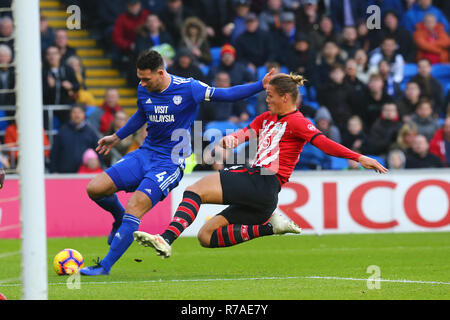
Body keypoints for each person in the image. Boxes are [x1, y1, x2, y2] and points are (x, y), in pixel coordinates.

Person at [133, 73, 387, 257]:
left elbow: (323, 143)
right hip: (263, 197)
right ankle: (269, 227)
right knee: (205, 237)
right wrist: (229, 141)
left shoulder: (298, 122)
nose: (266, 100)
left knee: (195, 190)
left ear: (285, 97)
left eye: (270, 95)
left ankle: (166, 238)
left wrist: (358, 157)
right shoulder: (266, 118)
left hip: (264, 180)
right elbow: (245, 133)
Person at [79, 50, 276, 276]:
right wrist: (117, 136)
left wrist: (260, 85)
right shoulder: (143, 88)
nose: (141, 83)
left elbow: (228, 94)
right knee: (94, 188)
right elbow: (141, 115)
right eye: (139, 78)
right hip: (145, 153)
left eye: (146, 78)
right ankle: (118, 218)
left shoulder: (190, 88)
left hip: (170, 161)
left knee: (135, 207)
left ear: (160, 73)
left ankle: (104, 266)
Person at [49, 105, 99, 173]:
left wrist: (98, 165)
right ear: (70, 115)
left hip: (86, 174)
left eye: (79, 112)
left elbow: (99, 151)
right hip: (64, 173)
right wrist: (53, 170)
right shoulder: (63, 131)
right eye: (74, 112)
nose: (77, 115)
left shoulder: (90, 132)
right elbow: (55, 152)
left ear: (84, 114)